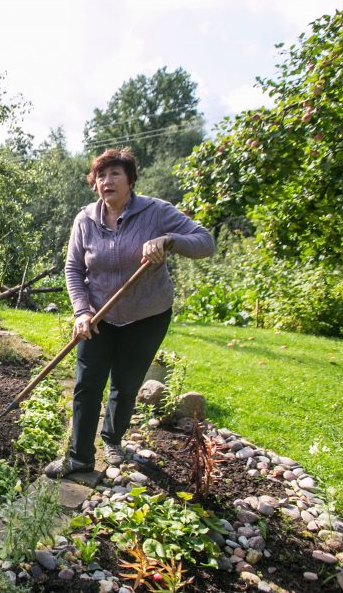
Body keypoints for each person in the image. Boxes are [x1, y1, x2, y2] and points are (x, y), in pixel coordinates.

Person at [44, 147, 214, 478]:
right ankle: (79, 457)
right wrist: (81, 311)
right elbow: (73, 269)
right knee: (87, 383)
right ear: (94, 183)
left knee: (125, 382)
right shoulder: (85, 220)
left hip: (147, 317)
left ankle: (112, 439)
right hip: (98, 316)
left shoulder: (156, 212)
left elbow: (205, 242)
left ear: (131, 180)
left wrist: (168, 241)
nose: (106, 181)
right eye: (100, 176)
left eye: (115, 174)